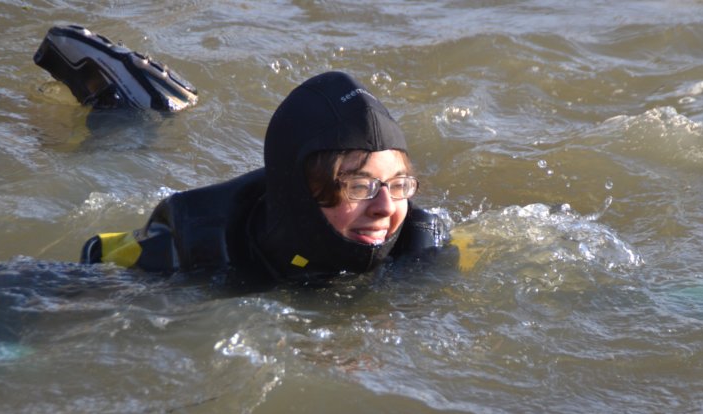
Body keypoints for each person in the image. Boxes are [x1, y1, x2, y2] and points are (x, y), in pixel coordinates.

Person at [77, 69, 451, 282]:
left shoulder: (421, 244)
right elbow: (81, 275)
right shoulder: (192, 242)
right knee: (119, 142)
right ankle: (124, 108)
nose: (386, 207)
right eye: (359, 186)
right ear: (301, 192)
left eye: (398, 184)